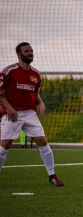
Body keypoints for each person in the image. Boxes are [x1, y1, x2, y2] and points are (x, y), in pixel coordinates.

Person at [0, 42, 64, 186]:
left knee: (42, 141)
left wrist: (40, 103)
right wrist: (9, 108)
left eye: (31, 51)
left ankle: (52, 176)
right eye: (26, 51)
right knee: (5, 145)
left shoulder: (36, 74)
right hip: (12, 113)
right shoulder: (8, 71)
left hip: (29, 112)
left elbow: (35, 93)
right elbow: (0, 92)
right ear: (19, 54)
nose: (30, 53)